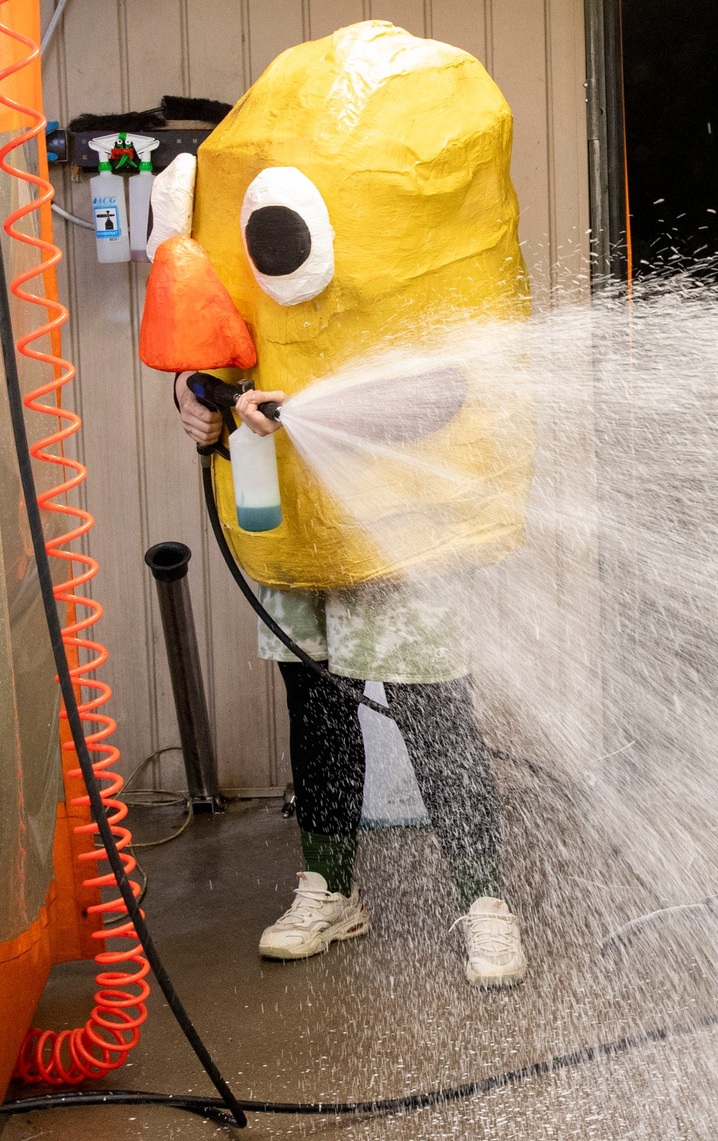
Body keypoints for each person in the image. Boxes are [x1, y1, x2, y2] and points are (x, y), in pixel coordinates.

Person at [175, 374, 525, 988]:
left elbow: (457, 363)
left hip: (405, 519)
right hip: (294, 516)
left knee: (435, 712)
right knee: (316, 707)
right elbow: (197, 341)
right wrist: (189, 391)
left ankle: (484, 899)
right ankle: (332, 891)